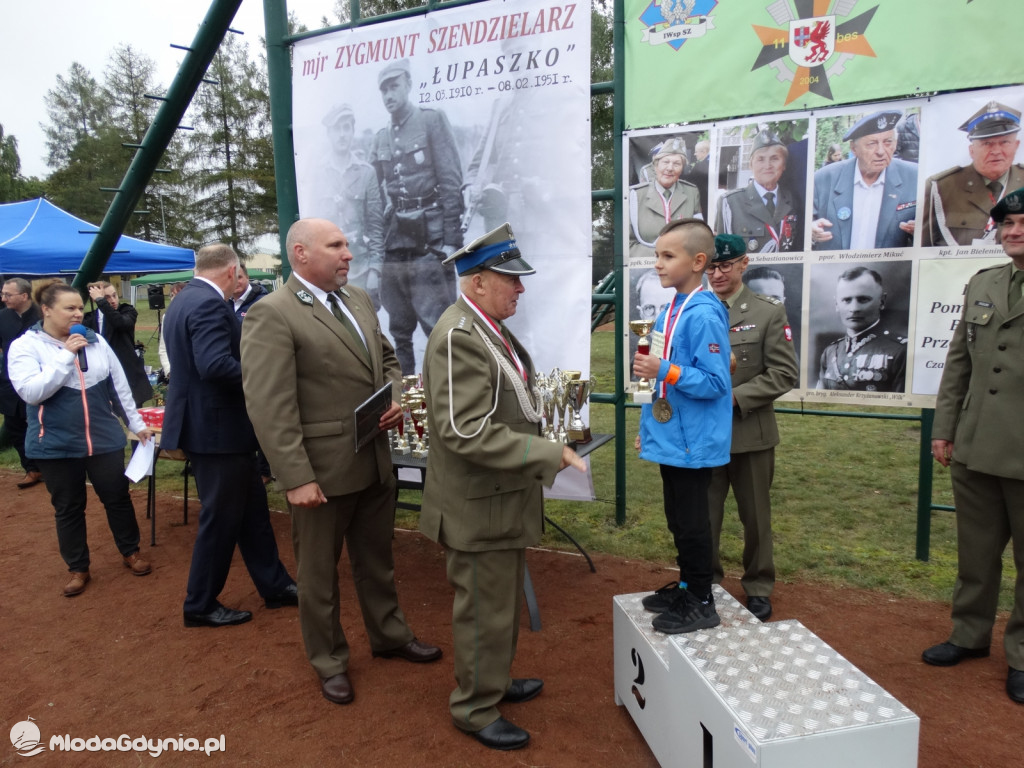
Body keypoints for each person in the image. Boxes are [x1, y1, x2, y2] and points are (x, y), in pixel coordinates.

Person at [240, 219, 441, 706]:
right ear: (301, 254)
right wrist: (296, 477)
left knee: (378, 561)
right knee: (317, 575)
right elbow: (270, 405)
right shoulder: (273, 313)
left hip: (374, 459)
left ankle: (389, 636)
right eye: (336, 246)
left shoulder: (359, 300)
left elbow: (390, 358)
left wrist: (395, 394)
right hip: (321, 474)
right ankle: (329, 660)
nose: (348, 253)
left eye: (348, 244)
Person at [419, 222, 586, 750]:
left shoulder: (484, 325)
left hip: (494, 500)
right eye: (509, 279)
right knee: (483, 610)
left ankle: (491, 680)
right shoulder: (459, 336)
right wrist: (545, 451)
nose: (520, 288)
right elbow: (463, 429)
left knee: (500, 604)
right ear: (476, 282)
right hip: (477, 505)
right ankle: (473, 707)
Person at [161, 244, 297, 629]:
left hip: (215, 428)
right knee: (220, 520)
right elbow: (214, 364)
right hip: (217, 431)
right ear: (233, 271)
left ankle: (275, 585)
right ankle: (199, 604)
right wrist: (269, 377)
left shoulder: (186, 298)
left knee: (252, 512)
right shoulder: (208, 304)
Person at [924, 187, 1024, 705]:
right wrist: (945, 428)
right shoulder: (985, 282)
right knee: (976, 552)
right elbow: (958, 363)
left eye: (1022, 223)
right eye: (1007, 224)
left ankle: (1023, 655)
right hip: (976, 444)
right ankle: (968, 634)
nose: (1014, 232)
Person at [8, 279, 153, 597]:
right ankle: (78, 568)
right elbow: (31, 392)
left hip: (103, 439)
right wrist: (65, 357)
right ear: (46, 310)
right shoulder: (25, 346)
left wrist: (136, 422)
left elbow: (119, 385)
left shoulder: (96, 341)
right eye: (69, 308)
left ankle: (131, 552)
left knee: (117, 497)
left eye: (79, 307)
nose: (77, 314)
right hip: (56, 445)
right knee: (69, 507)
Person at [632, 218, 732, 635]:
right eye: (656, 255)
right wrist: (649, 426)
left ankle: (702, 600)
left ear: (698, 261)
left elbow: (715, 383)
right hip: (672, 437)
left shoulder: (704, 314)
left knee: (693, 523)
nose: (657, 264)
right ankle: (688, 585)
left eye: (667, 256)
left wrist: (666, 369)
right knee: (678, 518)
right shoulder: (671, 308)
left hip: (694, 442)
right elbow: (658, 382)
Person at [705, 235, 798, 621]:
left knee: (756, 517)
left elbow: (784, 374)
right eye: (710, 266)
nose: (717, 273)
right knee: (704, 516)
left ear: (744, 264)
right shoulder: (695, 308)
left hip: (750, 433)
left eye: (726, 265)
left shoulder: (766, 312)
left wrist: (736, 397)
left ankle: (759, 585)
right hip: (705, 436)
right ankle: (704, 583)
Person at [371, 59, 464, 375]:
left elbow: (451, 180)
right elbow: (379, 194)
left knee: (441, 328)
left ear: (408, 84)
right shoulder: (381, 138)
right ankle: (409, 408)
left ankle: (454, 403)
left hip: (431, 238)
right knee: (399, 329)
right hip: (396, 242)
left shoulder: (430, 121)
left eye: (393, 86)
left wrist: (452, 241)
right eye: (383, 89)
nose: (388, 95)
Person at [307, 102, 384, 309]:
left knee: (366, 332)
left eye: (346, 128)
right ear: (329, 134)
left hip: (360, 268)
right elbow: (310, 229)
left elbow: (376, 226)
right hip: (326, 273)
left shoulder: (367, 173)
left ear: (352, 131)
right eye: (336, 129)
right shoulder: (318, 174)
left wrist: (375, 271)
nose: (342, 134)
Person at [922, 101, 1024, 247]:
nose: (996, 151)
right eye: (987, 144)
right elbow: (925, 247)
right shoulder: (941, 187)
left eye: (1004, 142)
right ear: (971, 150)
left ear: (1016, 146)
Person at [811, 110, 917, 250]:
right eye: (871, 144)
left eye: (887, 142)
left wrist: (921, 231)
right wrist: (810, 230)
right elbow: (803, 224)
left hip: (889, 270)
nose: (881, 151)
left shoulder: (915, 176)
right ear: (854, 149)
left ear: (895, 143)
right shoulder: (824, 178)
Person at [817, 266, 907, 392]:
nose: (854, 308)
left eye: (863, 299)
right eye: (846, 300)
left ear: (882, 301)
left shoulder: (900, 351)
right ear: (837, 304)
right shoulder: (830, 352)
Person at [716, 129, 803, 253]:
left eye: (774, 158)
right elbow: (723, 253)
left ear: (784, 165)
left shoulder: (793, 199)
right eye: (760, 159)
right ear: (751, 165)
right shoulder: (730, 203)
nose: (767, 165)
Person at [629, 138, 703, 261]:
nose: (670, 168)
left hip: (683, 267)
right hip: (647, 267)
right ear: (655, 165)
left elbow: (698, 235)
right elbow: (628, 244)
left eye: (677, 164)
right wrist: (663, 256)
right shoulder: (635, 195)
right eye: (665, 162)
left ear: (682, 168)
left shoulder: (692, 192)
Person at [0, 278, 43, 488]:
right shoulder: (2, 317)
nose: (3, 298)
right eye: (3, 294)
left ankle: (49, 466)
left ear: (24, 296)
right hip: (9, 382)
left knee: (40, 425)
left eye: (8, 295)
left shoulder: (42, 315)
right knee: (14, 426)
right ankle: (31, 469)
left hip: (37, 379)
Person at [83, 281, 152, 407]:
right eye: (107, 297)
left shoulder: (127, 311)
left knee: (134, 415)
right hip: (102, 374)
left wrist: (102, 302)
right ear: (95, 300)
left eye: (114, 295)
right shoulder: (89, 319)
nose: (113, 300)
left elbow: (120, 323)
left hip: (127, 372)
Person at [157, 282, 185, 378]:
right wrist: (168, 370)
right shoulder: (166, 317)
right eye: (172, 295)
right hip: (175, 374)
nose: (174, 298)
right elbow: (163, 348)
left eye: (178, 295)